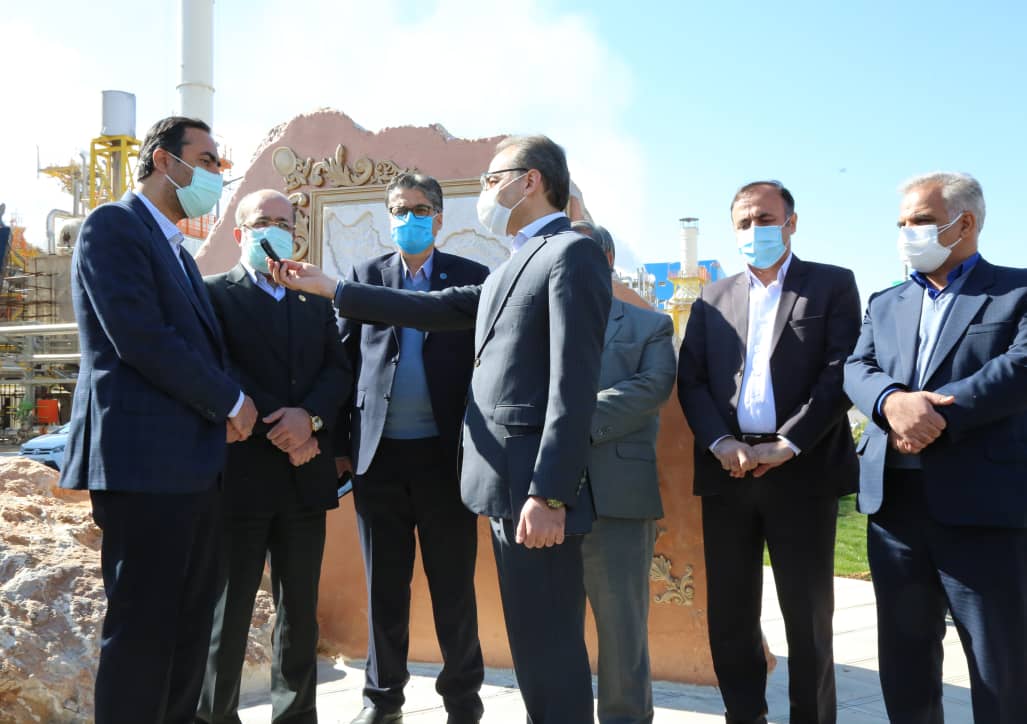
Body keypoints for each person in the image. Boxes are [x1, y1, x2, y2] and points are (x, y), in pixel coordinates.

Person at [270, 135, 612, 724]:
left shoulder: (569, 253)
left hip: (532, 490)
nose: (485, 191)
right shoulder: (520, 259)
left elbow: (573, 384)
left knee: (550, 647)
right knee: (534, 646)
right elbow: (438, 309)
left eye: (491, 179)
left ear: (529, 181)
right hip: (499, 487)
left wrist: (551, 492)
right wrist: (334, 289)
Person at [58, 116, 258, 723]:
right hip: (144, 467)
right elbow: (140, 337)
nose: (216, 174)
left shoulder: (178, 252)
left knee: (188, 630)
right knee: (143, 632)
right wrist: (229, 401)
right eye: (208, 159)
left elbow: (200, 348)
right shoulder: (113, 225)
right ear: (165, 161)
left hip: (193, 469)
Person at [844, 172, 1027, 723]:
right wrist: (892, 402)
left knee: (1000, 668)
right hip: (894, 510)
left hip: (982, 508)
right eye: (901, 222)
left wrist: (933, 416)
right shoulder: (886, 302)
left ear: (964, 224)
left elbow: (1018, 368)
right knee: (905, 667)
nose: (907, 232)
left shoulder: (1016, 292)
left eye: (920, 220)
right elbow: (857, 367)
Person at [677, 180, 861, 724]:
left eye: (764, 218)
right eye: (743, 222)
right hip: (727, 473)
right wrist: (721, 441)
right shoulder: (711, 298)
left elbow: (839, 373)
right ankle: (745, 715)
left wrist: (790, 442)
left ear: (790, 223)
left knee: (808, 618)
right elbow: (692, 380)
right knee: (730, 617)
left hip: (801, 473)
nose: (753, 229)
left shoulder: (831, 285)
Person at [334, 173, 489, 724]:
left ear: (440, 218)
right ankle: (383, 700)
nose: (409, 219)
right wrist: (339, 446)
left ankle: (463, 703)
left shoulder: (472, 279)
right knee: (385, 590)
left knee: (453, 589)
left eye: (420, 210)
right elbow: (343, 361)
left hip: (447, 459)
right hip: (378, 459)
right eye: (399, 210)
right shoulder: (365, 277)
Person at [196, 189, 352, 724]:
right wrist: (281, 427)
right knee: (230, 610)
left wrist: (309, 420)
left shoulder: (314, 299)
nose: (277, 231)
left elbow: (337, 371)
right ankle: (215, 716)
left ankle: (296, 715)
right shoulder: (213, 294)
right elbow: (218, 370)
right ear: (241, 232)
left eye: (285, 223)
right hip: (240, 477)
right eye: (265, 221)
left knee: (299, 614)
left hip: (305, 477)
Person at [579, 224, 676, 724]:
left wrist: (568, 422)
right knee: (548, 630)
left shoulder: (649, 325)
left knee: (622, 631)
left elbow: (653, 386)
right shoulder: (530, 325)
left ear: (608, 258)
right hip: (540, 499)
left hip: (617, 499)